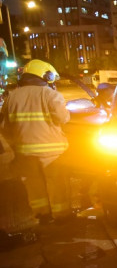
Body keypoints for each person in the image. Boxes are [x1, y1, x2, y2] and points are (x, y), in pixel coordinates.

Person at [0, 59, 71, 224]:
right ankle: (62, 217)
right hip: (52, 153)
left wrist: (17, 145)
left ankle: (42, 215)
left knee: (34, 185)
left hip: (24, 152)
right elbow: (63, 118)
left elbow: (4, 126)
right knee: (57, 185)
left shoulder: (12, 97)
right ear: (47, 75)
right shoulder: (50, 94)